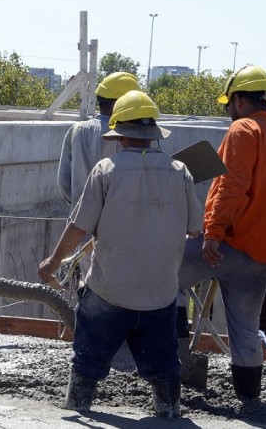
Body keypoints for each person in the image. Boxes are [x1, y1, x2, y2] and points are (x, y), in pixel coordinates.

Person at [39, 90, 203, 417]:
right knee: (164, 364)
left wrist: (54, 262)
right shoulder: (180, 172)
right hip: (160, 295)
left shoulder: (106, 170)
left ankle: (78, 408)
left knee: (88, 359)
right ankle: (169, 413)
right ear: (153, 133)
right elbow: (196, 229)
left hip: (108, 292)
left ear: (118, 135)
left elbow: (79, 226)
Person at [177, 65, 266, 399]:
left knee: (163, 277)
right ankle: (249, 400)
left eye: (229, 105)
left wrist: (214, 232)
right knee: (246, 328)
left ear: (238, 100)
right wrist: (263, 222)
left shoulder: (242, 130)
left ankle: (174, 368)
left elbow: (231, 187)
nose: (228, 113)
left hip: (226, 246)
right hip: (264, 254)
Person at [56, 72, 140, 276]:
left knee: (82, 288)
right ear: (120, 103)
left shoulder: (76, 130)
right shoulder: (126, 137)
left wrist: (80, 204)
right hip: (115, 234)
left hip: (77, 232)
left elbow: (63, 183)